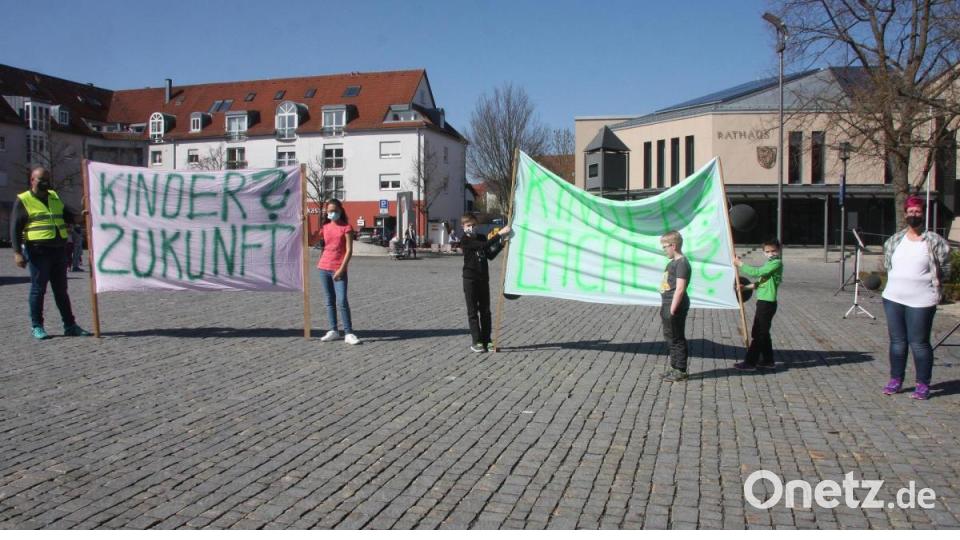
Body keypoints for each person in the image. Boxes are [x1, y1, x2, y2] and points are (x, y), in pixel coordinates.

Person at [880, 196, 950, 400]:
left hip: (922, 300)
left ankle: (922, 383)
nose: (914, 215)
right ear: (905, 214)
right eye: (910, 212)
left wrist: (935, 285)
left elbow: (945, 267)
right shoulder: (895, 240)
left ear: (923, 214)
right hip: (893, 297)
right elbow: (888, 263)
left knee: (919, 343)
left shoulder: (934, 241)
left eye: (917, 212)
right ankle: (896, 380)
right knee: (897, 342)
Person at [11, 167, 92, 340]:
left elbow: (68, 216)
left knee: (62, 291)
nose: (45, 183)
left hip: (58, 250)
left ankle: (70, 325)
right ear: (32, 180)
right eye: (41, 180)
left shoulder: (54, 197)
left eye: (47, 180)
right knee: (38, 290)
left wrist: (83, 213)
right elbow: (15, 227)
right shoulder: (23, 200)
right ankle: (37, 326)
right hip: (38, 250)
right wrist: (17, 252)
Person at [460, 214, 511, 352]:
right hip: (470, 279)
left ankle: (487, 339)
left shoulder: (481, 237)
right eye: (468, 226)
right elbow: (483, 245)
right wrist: (499, 234)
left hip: (483, 278)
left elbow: (489, 254)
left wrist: (501, 244)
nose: (471, 228)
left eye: (473, 225)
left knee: (485, 311)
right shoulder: (465, 240)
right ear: (463, 227)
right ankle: (477, 341)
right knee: (473, 312)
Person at [733, 239, 784, 371]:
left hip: (767, 303)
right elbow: (762, 282)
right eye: (768, 251)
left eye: (773, 250)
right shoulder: (770, 263)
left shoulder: (776, 263)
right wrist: (746, 288)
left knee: (758, 333)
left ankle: (750, 363)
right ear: (764, 252)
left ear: (779, 250)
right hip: (763, 301)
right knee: (764, 333)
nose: (771, 253)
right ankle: (768, 360)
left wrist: (740, 264)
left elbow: (757, 273)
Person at [316, 198, 360, 345]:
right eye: (329, 211)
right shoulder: (325, 227)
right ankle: (333, 330)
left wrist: (341, 269)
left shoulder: (346, 227)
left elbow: (349, 250)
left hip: (338, 268)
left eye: (334, 211)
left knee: (342, 300)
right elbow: (310, 240)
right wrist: (303, 222)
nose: (332, 213)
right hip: (323, 267)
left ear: (340, 211)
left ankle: (348, 332)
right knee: (329, 301)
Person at [659, 230, 690, 382]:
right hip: (666, 304)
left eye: (665, 247)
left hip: (674, 306)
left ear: (673, 245)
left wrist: (672, 309)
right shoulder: (672, 263)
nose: (663, 250)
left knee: (677, 338)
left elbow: (680, 288)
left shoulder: (682, 263)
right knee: (669, 336)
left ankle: (681, 370)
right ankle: (674, 367)